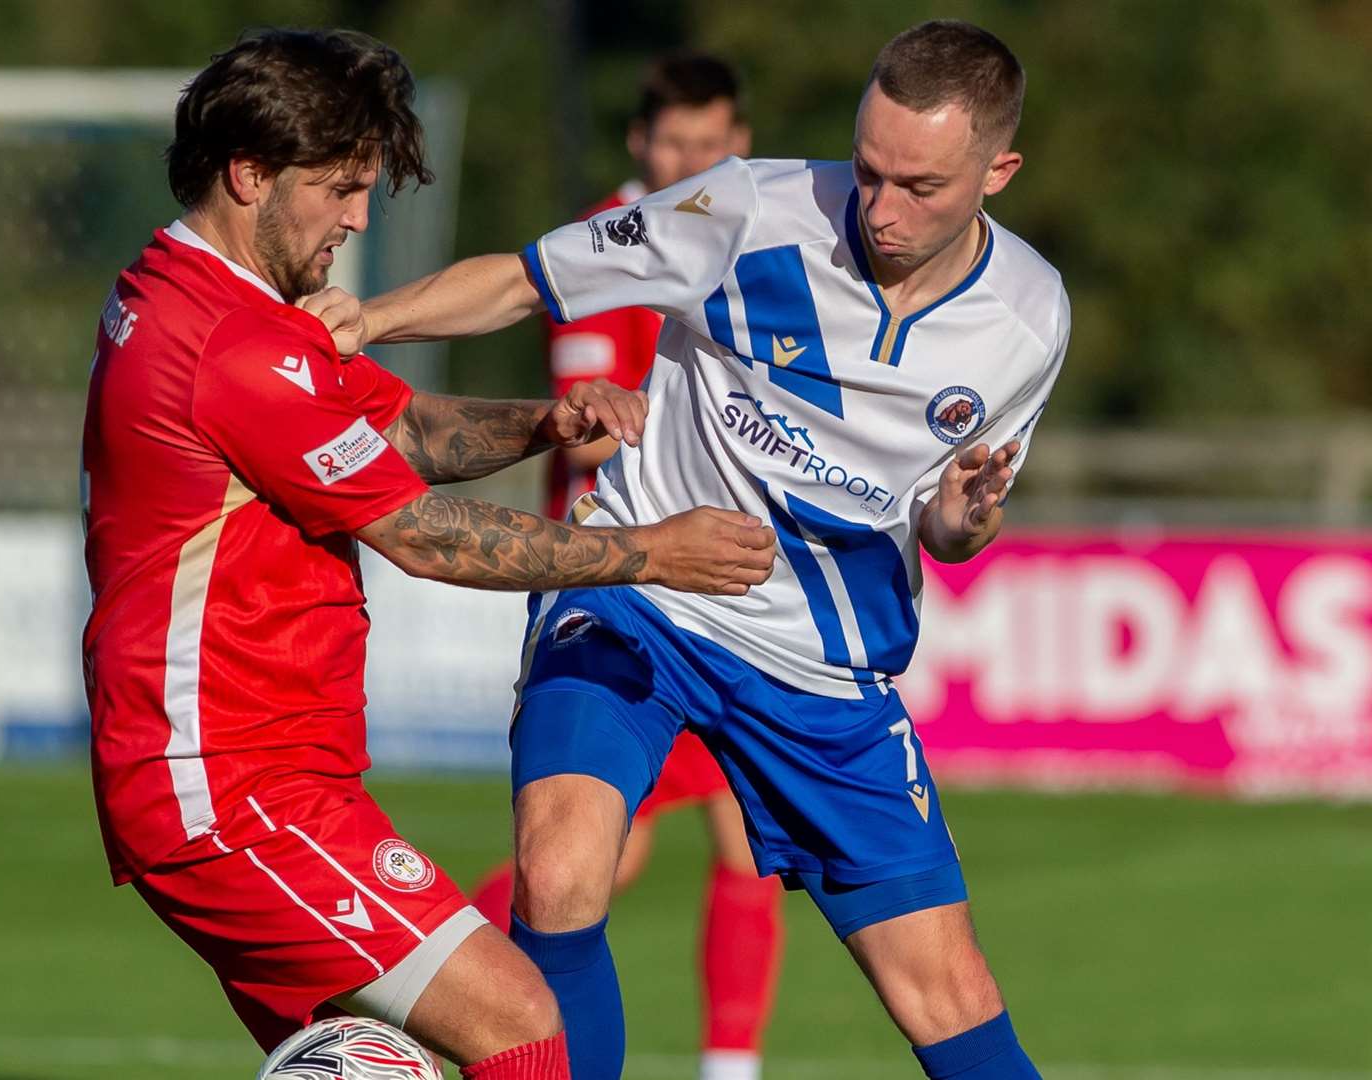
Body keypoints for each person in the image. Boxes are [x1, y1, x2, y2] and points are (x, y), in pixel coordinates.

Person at [311, 18, 1064, 1079]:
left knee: (946, 995)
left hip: (821, 666)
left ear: (999, 169)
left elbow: (946, 529)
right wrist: (358, 321)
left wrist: (967, 515)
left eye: (919, 187)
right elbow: (526, 280)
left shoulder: (1027, 319)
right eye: (868, 170)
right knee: (562, 871)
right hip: (641, 592)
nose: (879, 210)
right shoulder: (746, 209)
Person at [78, 28, 776, 1080]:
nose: (358, 218)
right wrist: (652, 553)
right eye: (340, 188)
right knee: (523, 1027)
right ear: (248, 173)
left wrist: (542, 423)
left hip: (256, 781)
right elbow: (426, 537)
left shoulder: (195, 300)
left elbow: (396, 428)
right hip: (234, 796)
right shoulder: (236, 347)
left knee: (396, 1054)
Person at [468, 53, 783, 1080]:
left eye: (711, 144)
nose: (693, 161)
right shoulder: (608, 251)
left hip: (729, 589)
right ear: (640, 147)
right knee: (582, 862)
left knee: (747, 836)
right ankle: (417, 971)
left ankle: (728, 1067)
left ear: (737, 143)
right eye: (674, 145)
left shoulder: (758, 236)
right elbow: (585, 436)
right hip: (624, 582)